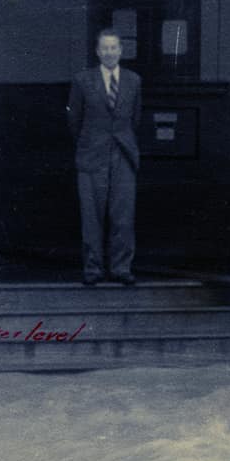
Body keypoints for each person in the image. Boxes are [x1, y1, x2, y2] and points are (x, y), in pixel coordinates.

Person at [66, 29, 142, 285]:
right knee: (92, 215)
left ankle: (121, 268)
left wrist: (123, 143)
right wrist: (90, 143)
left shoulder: (134, 81)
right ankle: (93, 269)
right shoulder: (82, 80)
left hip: (123, 154)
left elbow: (136, 119)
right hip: (92, 155)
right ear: (98, 52)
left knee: (123, 215)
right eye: (105, 48)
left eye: (114, 48)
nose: (110, 53)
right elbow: (74, 119)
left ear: (121, 50)